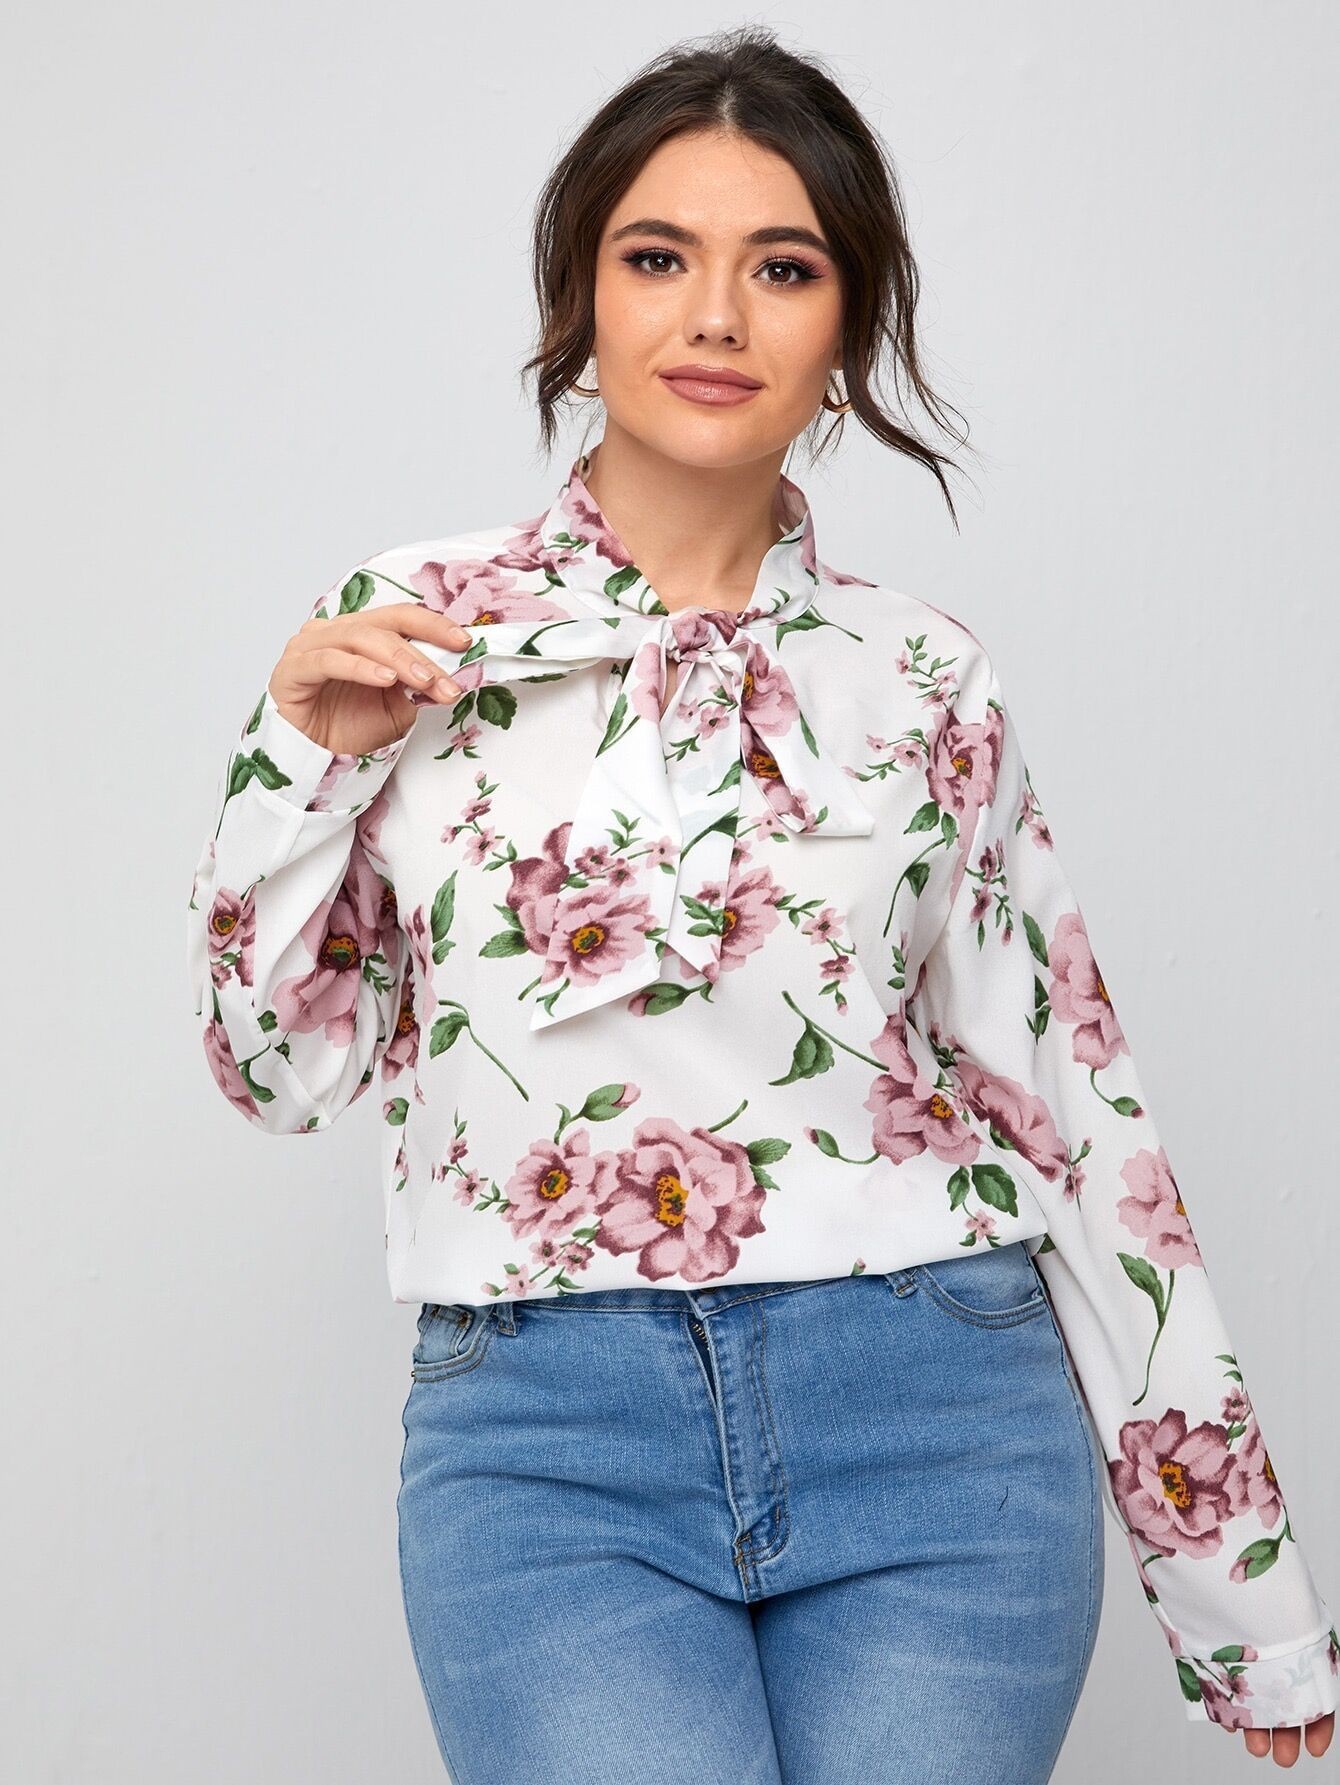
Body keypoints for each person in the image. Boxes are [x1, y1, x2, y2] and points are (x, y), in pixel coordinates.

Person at [186, 26, 1337, 1782]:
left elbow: (1075, 1106)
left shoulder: (924, 674)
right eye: (659, 258)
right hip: (547, 1450)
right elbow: (278, 1071)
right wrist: (299, 764)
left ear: (849, 328)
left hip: (941, 1424)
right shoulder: (413, 629)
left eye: (783, 269)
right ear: (579, 300)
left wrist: (1240, 1592)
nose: (716, 316)